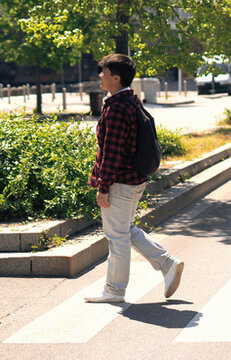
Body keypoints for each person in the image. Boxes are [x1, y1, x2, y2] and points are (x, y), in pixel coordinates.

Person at [84, 54, 184, 303]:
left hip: (120, 182)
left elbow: (112, 152)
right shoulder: (129, 100)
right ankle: (167, 263)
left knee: (116, 236)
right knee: (125, 230)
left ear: (116, 78)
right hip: (134, 180)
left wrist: (103, 186)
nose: (100, 76)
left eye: (104, 72)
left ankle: (114, 290)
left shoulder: (117, 107)